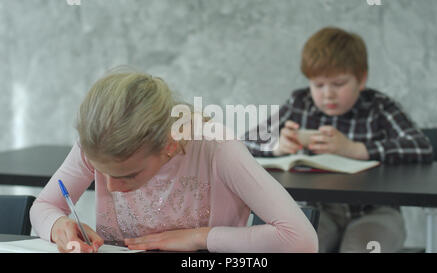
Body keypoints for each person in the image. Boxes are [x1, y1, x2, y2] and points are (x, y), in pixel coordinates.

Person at [29, 69, 318, 253]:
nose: (111, 187)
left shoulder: (217, 149)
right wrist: (58, 226)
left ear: (168, 145)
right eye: (100, 171)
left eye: (129, 175)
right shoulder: (98, 142)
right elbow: (44, 206)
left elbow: (299, 239)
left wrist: (200, 238)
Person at [243, 27, 433, 253]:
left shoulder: (379, 107)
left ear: (361, 79)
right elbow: (243, 143)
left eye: (339, 84)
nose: (328, 94)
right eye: (319, 85)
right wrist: (275, 146)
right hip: (319, 211)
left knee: (360, 247)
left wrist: (356, 149)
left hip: (376, 212)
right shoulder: (300, 103)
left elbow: (421, 147)